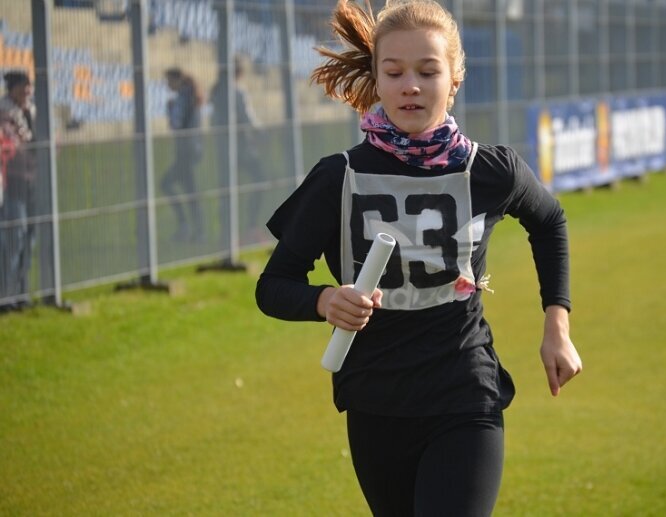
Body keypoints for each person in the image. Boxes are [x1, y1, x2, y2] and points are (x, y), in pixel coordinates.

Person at [256, 1, 583, 515]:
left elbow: (550, 221)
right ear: (377, 81)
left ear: (454, 79)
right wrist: (324, 301)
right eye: (395, 72)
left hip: (464, 392)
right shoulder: (337, 177)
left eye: (428, 71)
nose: (411, 84)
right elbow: (272, 286)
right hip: (375, 400)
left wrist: (556, 324)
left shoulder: (491, 170)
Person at [209, 58, 263, 243]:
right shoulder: (236, 91)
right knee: (259, 180)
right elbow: (247, 117)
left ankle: (226, 232)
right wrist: (260, 132)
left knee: (228, 187)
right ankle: (250, 227)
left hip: (224, 148)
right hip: (242, 149)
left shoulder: (216, 92)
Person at [0, 70, 36, 311]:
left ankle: (21, 293)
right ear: (12, 88)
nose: (27, 91)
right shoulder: (4, 114)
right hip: (13, 184)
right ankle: (5, 296)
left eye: (29, 86)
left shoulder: (32, 112)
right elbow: (15, 147)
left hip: (34, 183)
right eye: (23, 86)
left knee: (30, 239)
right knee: (14, 238)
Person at [162, 67, 204, 242]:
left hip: (185, 152)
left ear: (177, 79)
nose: (167, 85)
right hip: (191, 151)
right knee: (189, 191)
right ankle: (195, 230)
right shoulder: (191, 95)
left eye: (169, 81)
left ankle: (188, 228)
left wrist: (169, 110)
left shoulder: (182, 98)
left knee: (167, 184)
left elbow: (176, 124)